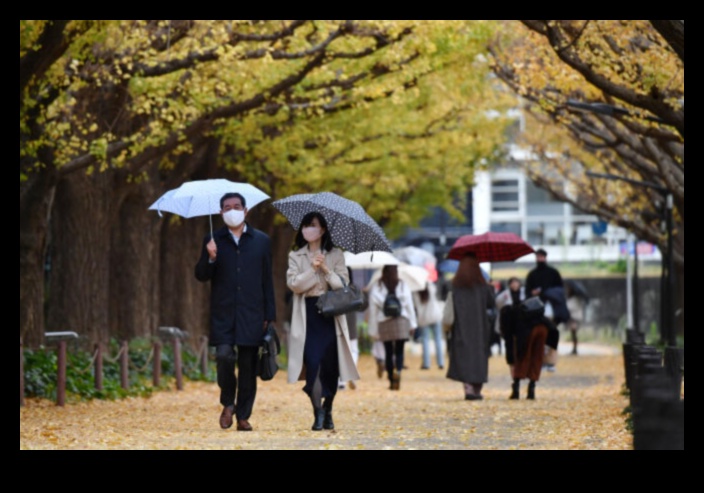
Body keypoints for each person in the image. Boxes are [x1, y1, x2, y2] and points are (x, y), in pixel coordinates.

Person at [195, 192, 276, 432]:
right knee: (224, 356)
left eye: (237, 206)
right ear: (221, 212)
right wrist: (209, 258)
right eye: (227, 207)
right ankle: (228, 402)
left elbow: (267, 280)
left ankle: (243, 415)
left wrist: (269, 315)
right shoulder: (212, 239)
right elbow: (201, 275)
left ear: (245, 210)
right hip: (223, 312)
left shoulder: (261, 240)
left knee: (248, 366)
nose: (232, 210)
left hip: (253, 313)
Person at [286, 212, 360, 431]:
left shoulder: (336, 254)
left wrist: (326, 269)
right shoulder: (295, 256)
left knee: (330, 368)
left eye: (313, 225)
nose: (308, 229)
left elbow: (342, 286)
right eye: (305, 225)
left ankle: (328, 408)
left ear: (323, 230)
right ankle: (317, 412)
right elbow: (295, 285)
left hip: (330, 315)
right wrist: (312, 269)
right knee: (313, 363)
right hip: (307, 315)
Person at [442, 253, 495, 401]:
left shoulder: (455, 286)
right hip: (480, 328)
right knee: (478, 357)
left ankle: (468, 387)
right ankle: (476, 388)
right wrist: (491, 287)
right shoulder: (482, 286)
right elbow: (491, 303)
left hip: (461, 327)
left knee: (464, 356)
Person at [368, 264, 418, 390]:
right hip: (401, 319)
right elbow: (409, 306)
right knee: (400, 350)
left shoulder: (377, 286)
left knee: (388, 352)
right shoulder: (402, 284)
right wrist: (413, 324)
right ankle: (399, 372)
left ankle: (391, 379)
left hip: (384, 321)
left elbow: (373, 310)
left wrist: (373, 330)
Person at [525, 248, 567, 373]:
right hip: (536, 310)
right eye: (538, 257)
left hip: (551, 308)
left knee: (551, 334)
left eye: (541, 257)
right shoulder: (532, 274)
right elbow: (528, 291)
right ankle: (540, 361)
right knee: (539, 336)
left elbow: (559, 290)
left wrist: (546, 292)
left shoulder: (553, 273)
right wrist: (533, 293)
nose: (539, 259)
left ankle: (551, 362)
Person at [339, 267, 364, 390]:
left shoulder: (335, 287)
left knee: (340, 352)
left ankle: (341, 382)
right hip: (351, 323)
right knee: (353, 351)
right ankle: (351, 375)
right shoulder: (354, 289)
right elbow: (362, 306)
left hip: (338, 323)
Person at [412, 281, 445, 371]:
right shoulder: (431, 288)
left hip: (424, 319)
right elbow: (435, 289)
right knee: (437, 339)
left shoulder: (415, 293)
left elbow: (415, 306)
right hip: (435, 316)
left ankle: (426, 363)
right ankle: (441, 362)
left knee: (425, 340)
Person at [565, 281, 586, 355]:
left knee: (574, 333)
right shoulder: (576, 299)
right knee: (573, 333)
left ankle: (575, 348)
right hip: (575, 317)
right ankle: (574, 348)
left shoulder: (575, 299)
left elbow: (570, 307)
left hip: (574, 318)